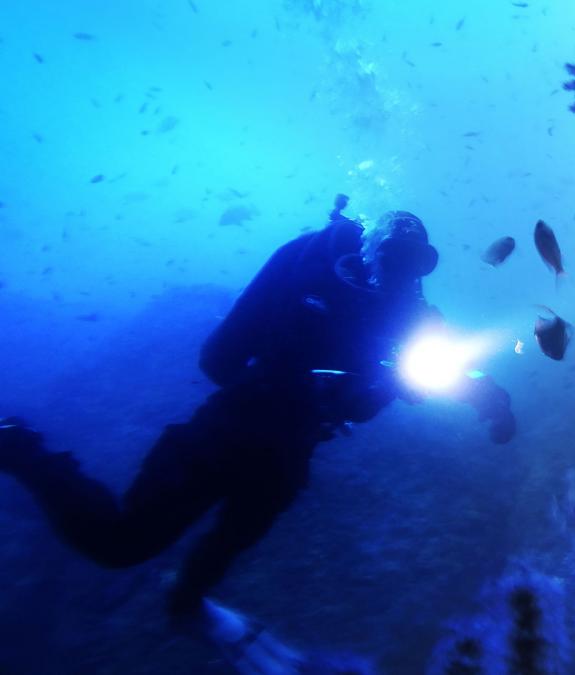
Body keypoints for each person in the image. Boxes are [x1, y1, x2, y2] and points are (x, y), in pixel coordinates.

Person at [0, 196, 516, 632]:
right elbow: (218, 358)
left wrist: (491, 399)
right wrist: (285, 385)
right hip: (231, 433)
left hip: (285, 454)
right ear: (368, 248)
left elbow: (442, 369)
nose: (402, 271)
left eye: (417, 263)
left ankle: (185, 601)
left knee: (227, 544)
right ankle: (20, 447)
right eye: (393, 255)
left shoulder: (412, 316)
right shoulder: (308, 267)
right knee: (121, 543)